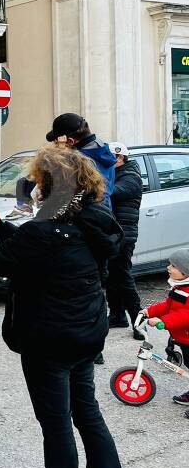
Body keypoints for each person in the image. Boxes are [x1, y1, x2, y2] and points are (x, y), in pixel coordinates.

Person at [0, 146, 128, 468]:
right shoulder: (92, 220)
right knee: (88, 418)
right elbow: (36, 252)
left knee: (57, 426)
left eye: (39, 182)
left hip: (49, 340)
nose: (34, 189)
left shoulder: (48, 229)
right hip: (85, 334)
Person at [140, 249, 189, 417]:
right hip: (183, 337)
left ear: (185, 271)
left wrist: (163, 322)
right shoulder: (179, 288)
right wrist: (149, 311)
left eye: (174, 265)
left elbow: (185, 315)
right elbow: (168, 305)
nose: (169, 267)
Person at [105, 143, 144, 336]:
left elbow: (111, 192)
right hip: (114, 233)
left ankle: (139, 321)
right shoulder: (117, 174)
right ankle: (117, 315)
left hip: (124, 234)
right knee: (112, 275)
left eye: (111, 158)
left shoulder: (131, 177)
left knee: (123, 276)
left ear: (121, 158)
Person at [46, 113, 116, 209]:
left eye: (56, 142)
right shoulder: (103, 151)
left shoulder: (79, 161)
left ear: (70, 141)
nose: (56, 145)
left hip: (85, 218)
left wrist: (61, 152)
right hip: (104, 214)